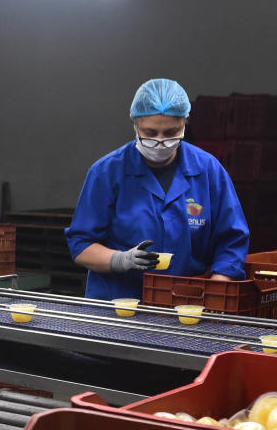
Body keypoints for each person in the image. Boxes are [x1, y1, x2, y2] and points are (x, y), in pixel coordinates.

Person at [65, 78, 249, 301]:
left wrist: (217, 291)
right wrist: (121, 260)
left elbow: (231, 239)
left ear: (185, 121)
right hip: (118, 307)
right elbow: (81, 244)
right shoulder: (107, 172)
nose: (161, 141)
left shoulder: (208, 171)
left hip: (186, 304)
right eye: (150, 133)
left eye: (171, 132)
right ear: (135, 124)